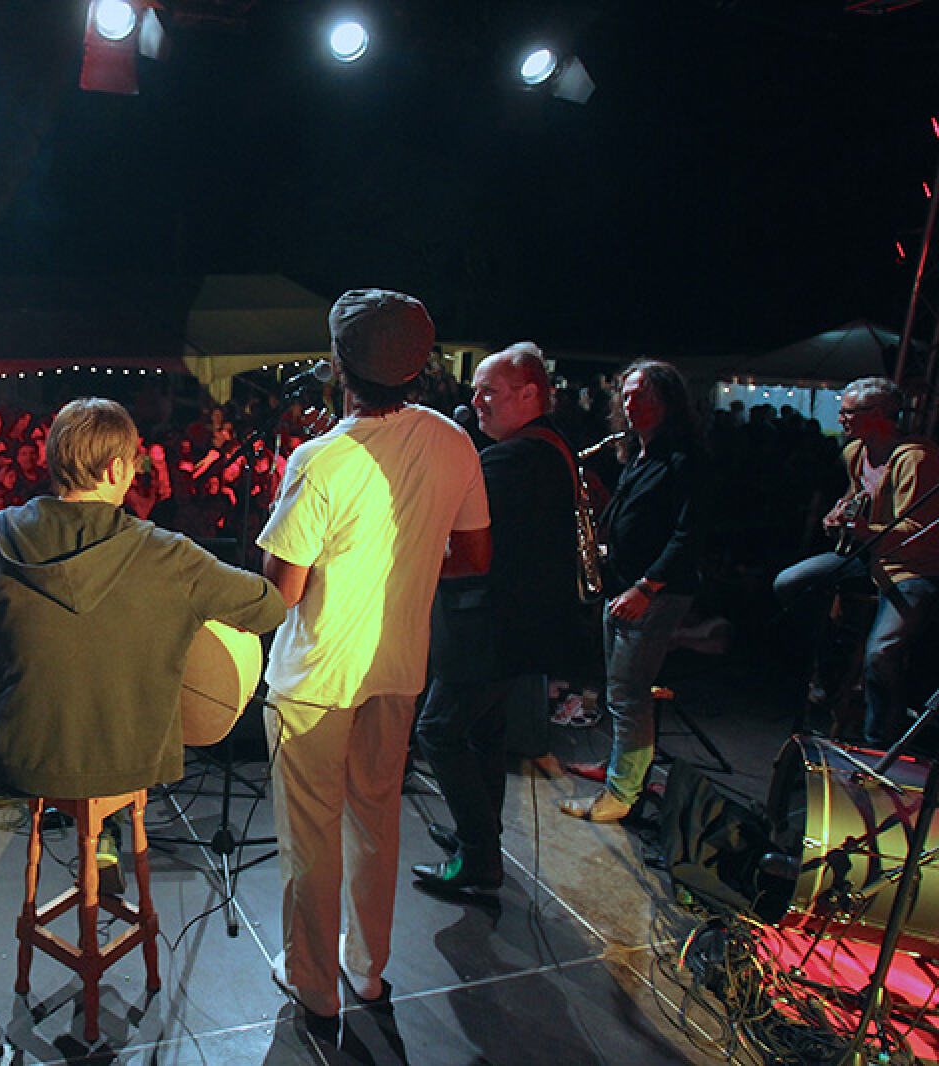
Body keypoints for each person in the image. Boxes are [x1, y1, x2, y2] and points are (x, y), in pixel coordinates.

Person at [257, 289, 491, 1023]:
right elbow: (474, 555)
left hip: (314, 678)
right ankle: (365, 971)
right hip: (397, 669)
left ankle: (313, 983)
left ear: (338, 365)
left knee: (311, 838)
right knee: (375, 821)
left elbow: (282, 591)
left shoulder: (320, 459)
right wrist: (408, 563)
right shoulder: (453, 441)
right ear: (418, 367)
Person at [0, 396, 285, 803]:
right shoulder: (167, 553)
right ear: (115, 469)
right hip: (130, 761)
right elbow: (269, 607)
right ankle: (104, 836)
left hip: (20, 757)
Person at [413, 342, 579, 892]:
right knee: (485, 732)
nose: (477, 401)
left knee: (438, 731)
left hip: (489, 629)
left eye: (489, 391)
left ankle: (479, 857)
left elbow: (461, 538)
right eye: (477, 390)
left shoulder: (513, 460)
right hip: (516, 629)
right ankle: (478, 836)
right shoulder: (547, 448)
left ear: (530, 393)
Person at [562, 359, 707, 822]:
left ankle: (621, 794)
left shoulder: (683, 457)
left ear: (668, 400)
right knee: (617, 690)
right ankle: (619, 768)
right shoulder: (639, 454)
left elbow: (689, 535)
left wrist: (646, 587)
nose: (631, 404)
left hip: (653, 592)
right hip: (624, 585)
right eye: (625, 396)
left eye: (643, 395)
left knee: (629, 695)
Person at [773, 376, 939, 745]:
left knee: (882, 654)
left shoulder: (916, 459)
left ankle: (880, 742)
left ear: (878, 414)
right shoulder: (855, 452)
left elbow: (919, 531)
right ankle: (824, 669)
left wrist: (865, 529)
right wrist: (839, 515)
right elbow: (857, 496)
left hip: (911, 568)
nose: (841, 418)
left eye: (848, 412)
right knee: (790, 583)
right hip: (867, 557)